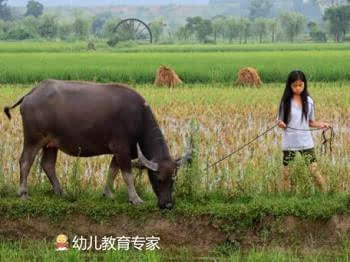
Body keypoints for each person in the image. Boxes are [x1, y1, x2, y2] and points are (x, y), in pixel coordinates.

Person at [277, 70, 330, 192]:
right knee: (287, 173)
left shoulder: (309, 101)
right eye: (294, 85)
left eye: (300, 85)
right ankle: (285, 197)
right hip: (290, 142)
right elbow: (280, 121)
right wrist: (281, 124)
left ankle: (325, 193)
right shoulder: (285, 102)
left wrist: (322, 124)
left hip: (306, 141)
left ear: (304, 84)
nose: (298, 88)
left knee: (314, 170)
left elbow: (311, 122)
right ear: (289, 86)